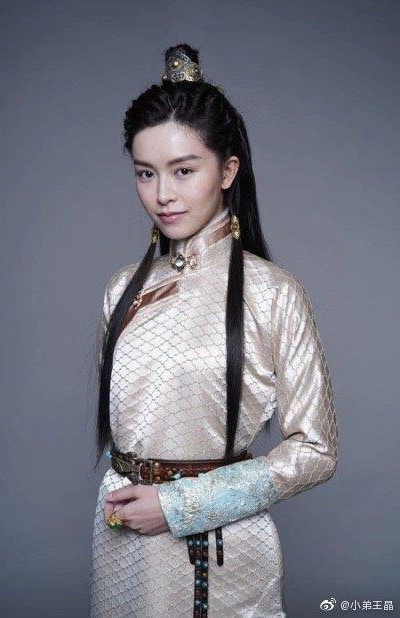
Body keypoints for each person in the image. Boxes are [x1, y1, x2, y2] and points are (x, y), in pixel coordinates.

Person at [89, 43, 339, 618]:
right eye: (145, 173)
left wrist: (180, 506)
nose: (162, 194)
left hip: (219, 550)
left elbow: (316, 451)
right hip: (120, 538)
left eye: (184, 170)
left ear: (227, 170)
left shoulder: (273, 292)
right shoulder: (120, 288)